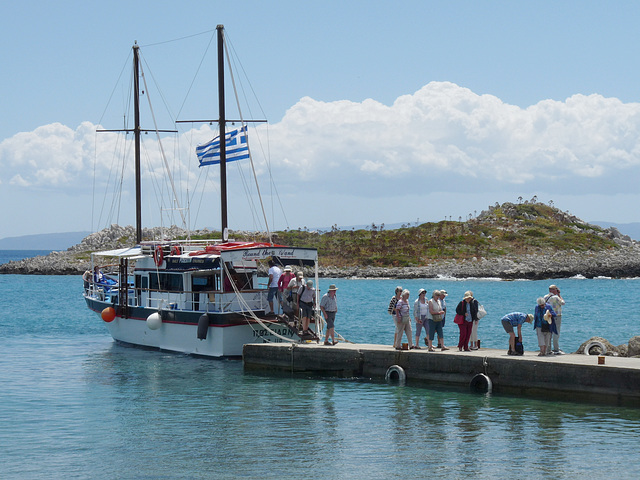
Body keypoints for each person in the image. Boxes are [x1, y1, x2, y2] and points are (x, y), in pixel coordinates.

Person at [544, 284, 566, 354]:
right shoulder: (556, 297)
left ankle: (548, 349)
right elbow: (563, 303)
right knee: (556, 332)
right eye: (556, 289)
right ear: (553, 290)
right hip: (557, 316)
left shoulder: (545, 297)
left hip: (548, 316)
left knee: (549, 333)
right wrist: (559, 294)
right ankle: (556, 349)